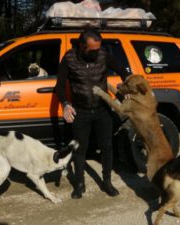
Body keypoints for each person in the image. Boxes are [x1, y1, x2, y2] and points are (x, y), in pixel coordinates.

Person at [55, 29, 130, 199]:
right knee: (80, 149)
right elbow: (59, 86)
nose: (97, 52)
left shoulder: (103, 55)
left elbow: (123, 71)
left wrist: (128, 86)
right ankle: (79, 184)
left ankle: (107, 182)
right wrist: (65, 104)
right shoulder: (69, 58)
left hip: (102, 109)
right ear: (82, 46)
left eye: (98, 48)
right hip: (80, 111)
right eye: (93, 50)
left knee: (107, 147)